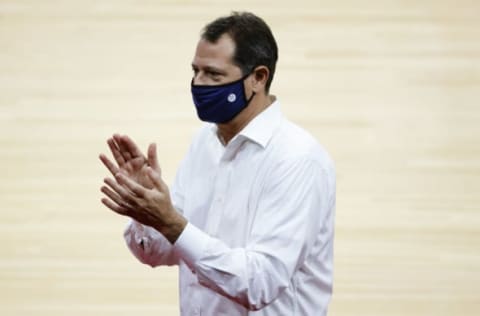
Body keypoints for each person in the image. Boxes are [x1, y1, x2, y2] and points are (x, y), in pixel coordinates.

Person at [99, 11, 336, 316]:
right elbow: (159, 253)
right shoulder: (204, 143)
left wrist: (171, 222)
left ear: (258, 78)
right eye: (195, 71)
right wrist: (148, 212)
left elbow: (259, 283)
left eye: (213, 74)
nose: (199, 84)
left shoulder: (298, 160)